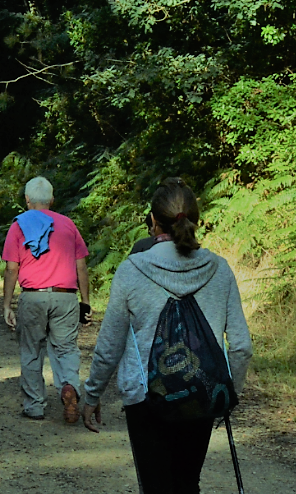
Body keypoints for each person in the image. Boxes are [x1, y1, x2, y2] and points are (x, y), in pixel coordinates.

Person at [81, 178, 253, 493]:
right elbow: (241, 347)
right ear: (195, 219)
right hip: (201, 392)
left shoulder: (132, 269)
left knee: (156, 485)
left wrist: (92, 395)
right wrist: (228, 398)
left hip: (145, 397)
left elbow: (110, 346)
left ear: (152, 221)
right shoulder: (220, 269)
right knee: (188, 483)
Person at [2, 176, 91, 423]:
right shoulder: (68, 225)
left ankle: (34, 406)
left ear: (27, 200)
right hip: (66, 297)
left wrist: (7, 304)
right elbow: (81, 266)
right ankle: (70, 386)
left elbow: (11, 268)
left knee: (31, 350)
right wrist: (85, 301)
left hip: (33, 297)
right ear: (52, 200)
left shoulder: (18, 226)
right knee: (65, 348)